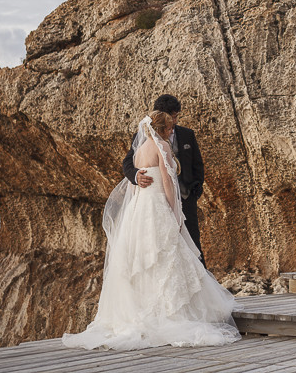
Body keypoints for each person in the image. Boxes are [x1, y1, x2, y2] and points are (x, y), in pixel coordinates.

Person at [62, 110, 240, 349]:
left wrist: (136, 211)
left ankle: (145, 311)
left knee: (143, 259)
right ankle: (170, 312)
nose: (172, 131)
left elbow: (134, 187)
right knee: (166, 255)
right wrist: (175, 213)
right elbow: (168, 182)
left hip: (140, 208)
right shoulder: (163, 147)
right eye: (170, 128)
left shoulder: (139, 150)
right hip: (157, 205)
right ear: (164, 129)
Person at [123, 94, 206, 263]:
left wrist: (195, 189)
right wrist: (136, 175)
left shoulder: (187, 134)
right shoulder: (143, 138)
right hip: (159, 201)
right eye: (172, 117)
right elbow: (127, 163)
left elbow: (198, 163)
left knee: (193, 244)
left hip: (186, 197)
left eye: (176, 116)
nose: (175, 122)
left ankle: (201, 283)